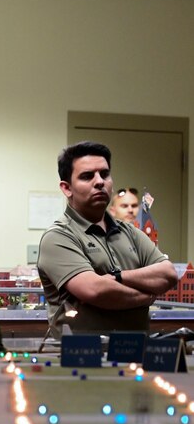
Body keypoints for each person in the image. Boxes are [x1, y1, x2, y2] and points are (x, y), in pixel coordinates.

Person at [37, 141, 176, 338]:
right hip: (81, 358)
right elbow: (96, 291)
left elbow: (167, 274)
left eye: (104, 174)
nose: (99, 181)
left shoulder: (129, 232)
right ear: (67, 188)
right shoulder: (58, 237)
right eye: (87, 176)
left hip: (135, 353)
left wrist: (117, 277)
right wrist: (147, 297)